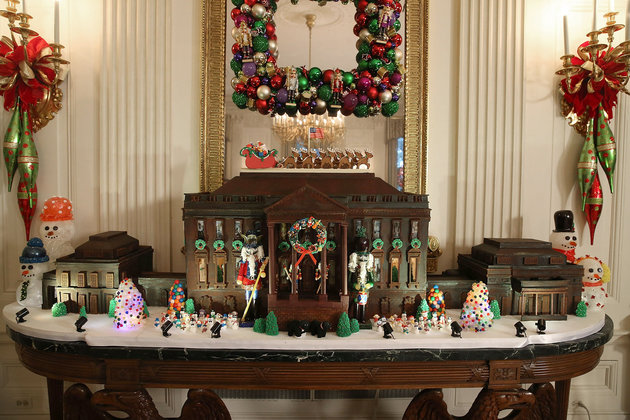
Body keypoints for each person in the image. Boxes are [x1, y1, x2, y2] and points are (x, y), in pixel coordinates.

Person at [348, 228, 374, 322]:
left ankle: (362, 319)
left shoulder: (368, 269)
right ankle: (355, 319)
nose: (363, 260)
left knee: (363, 304)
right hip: (356, 290)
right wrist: (354, 285)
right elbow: (349, 280)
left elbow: (372, 281)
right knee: (355, 303)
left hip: (365, 289)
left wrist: (368, 284)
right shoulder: (353, 268)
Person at [237, 231, 265, 319]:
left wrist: (263, 272)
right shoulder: (245, 262)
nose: (252, 254)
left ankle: (255, 314)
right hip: (246, 280)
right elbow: (241, 269)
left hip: (256, 280)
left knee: (255, 298)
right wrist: (240, 278)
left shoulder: (258, 261)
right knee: (247, 297)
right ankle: (247, 314)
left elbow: (261, 267)